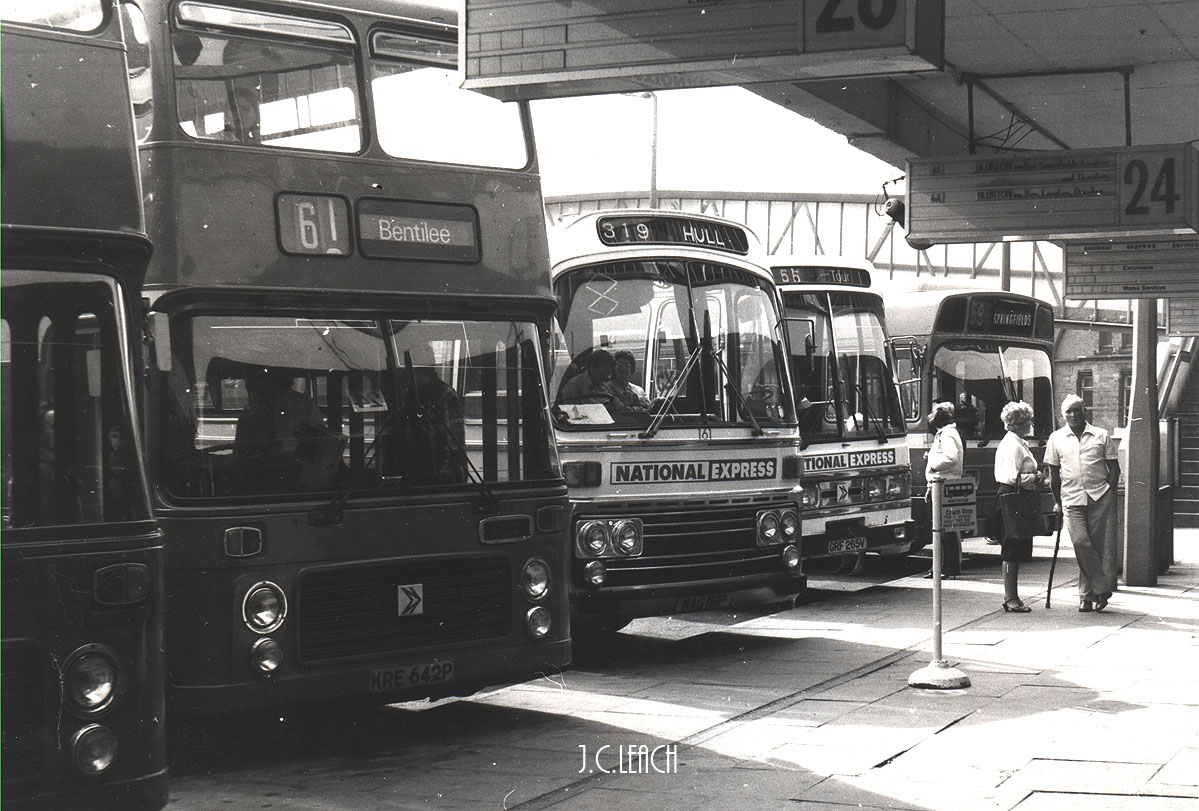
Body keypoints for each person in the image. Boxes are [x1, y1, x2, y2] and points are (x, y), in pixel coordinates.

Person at [1044, 394, 1120, 613]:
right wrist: (1057, 501)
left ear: (1084, 411)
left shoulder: (1101, 435)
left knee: (1092, 547)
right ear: (1063, 415)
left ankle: (1086, 597)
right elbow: (1053, 473)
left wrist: (1109, 492)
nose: (1073, 415)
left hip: (1098, 497)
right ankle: (1101, 588)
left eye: (1077, 410)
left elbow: (1114, 468)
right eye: (1069, 411)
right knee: (1080, 543)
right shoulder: (1056, 438)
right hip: (1070, 499)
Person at [993, 400, 1040, 613]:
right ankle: (1010, 598)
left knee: (1016, 545)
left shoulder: (1017, 441)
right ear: (1019, 422)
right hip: (1012, 497)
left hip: (1016, 496)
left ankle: (1013, 596)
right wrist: (1037, 478)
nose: (1031, 422)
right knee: (1012, 545)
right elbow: (1013, 477)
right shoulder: (1013, 445)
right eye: (1028, 419)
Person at [924, 401, 964, 578]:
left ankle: (945, 568)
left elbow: (950, 457)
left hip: (943, 483)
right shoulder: (949, 433)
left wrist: (932, 465)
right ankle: (946, 567)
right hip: (945, 482)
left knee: (942, 528)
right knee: (948, 528)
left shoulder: (946, 435)